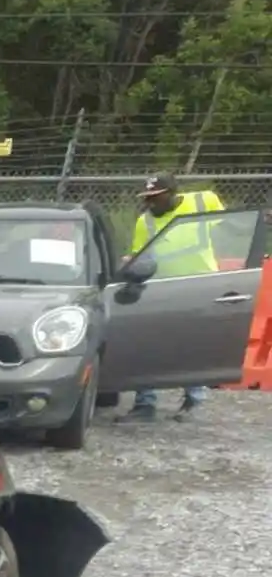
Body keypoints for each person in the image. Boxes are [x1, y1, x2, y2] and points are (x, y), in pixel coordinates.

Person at [121, 172, 226, 422]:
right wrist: (129, 263)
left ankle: (194, 401)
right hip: (161, 289)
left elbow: (230, 228)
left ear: (172, 193)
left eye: (156, 197)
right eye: (147, 198)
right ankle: (145, 404)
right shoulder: (143, 222)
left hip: (201, 285)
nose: (150, 203)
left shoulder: (204, 200)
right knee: (148, 345)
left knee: (193, 347)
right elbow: (140, 255)